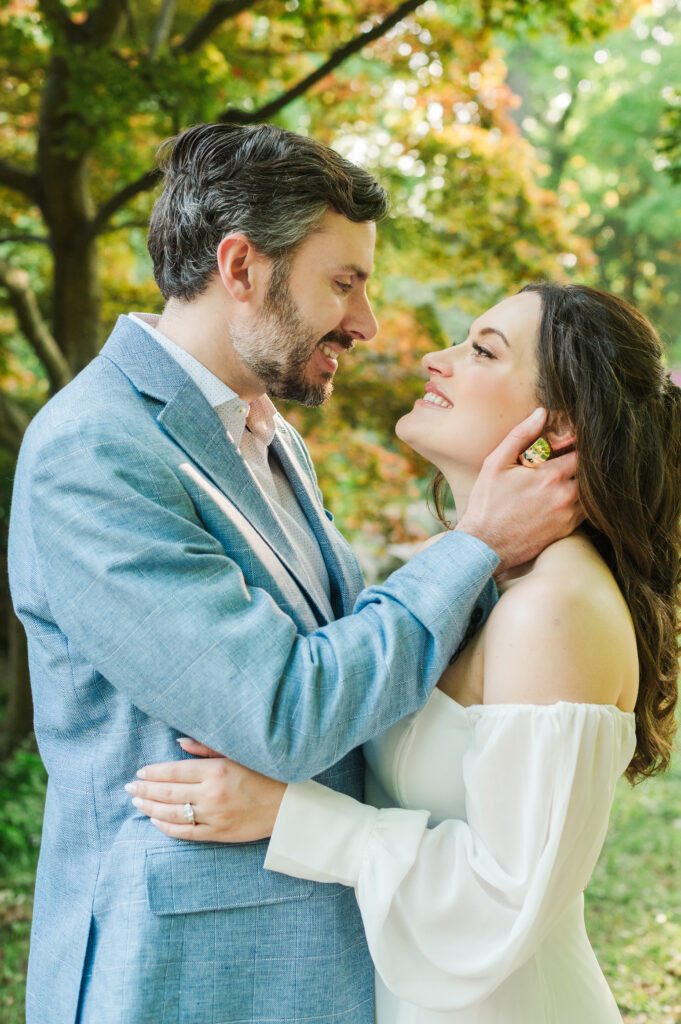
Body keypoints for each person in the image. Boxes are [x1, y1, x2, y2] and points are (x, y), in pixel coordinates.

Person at [8, 121, 579, 1024]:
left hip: (311, 964)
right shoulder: (95, 452)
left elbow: (350, 636)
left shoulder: (268, 435)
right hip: (182, 977)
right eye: (342, 282)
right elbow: (280, 712)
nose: (367, 323)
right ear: (241, 269)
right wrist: (472, 546)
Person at [130, 283, 681, 1023]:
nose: (434, 357)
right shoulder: (478, 583)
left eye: (481, 350)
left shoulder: (552, 610)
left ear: (558, 428)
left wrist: (288, 813)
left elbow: (503, 901)